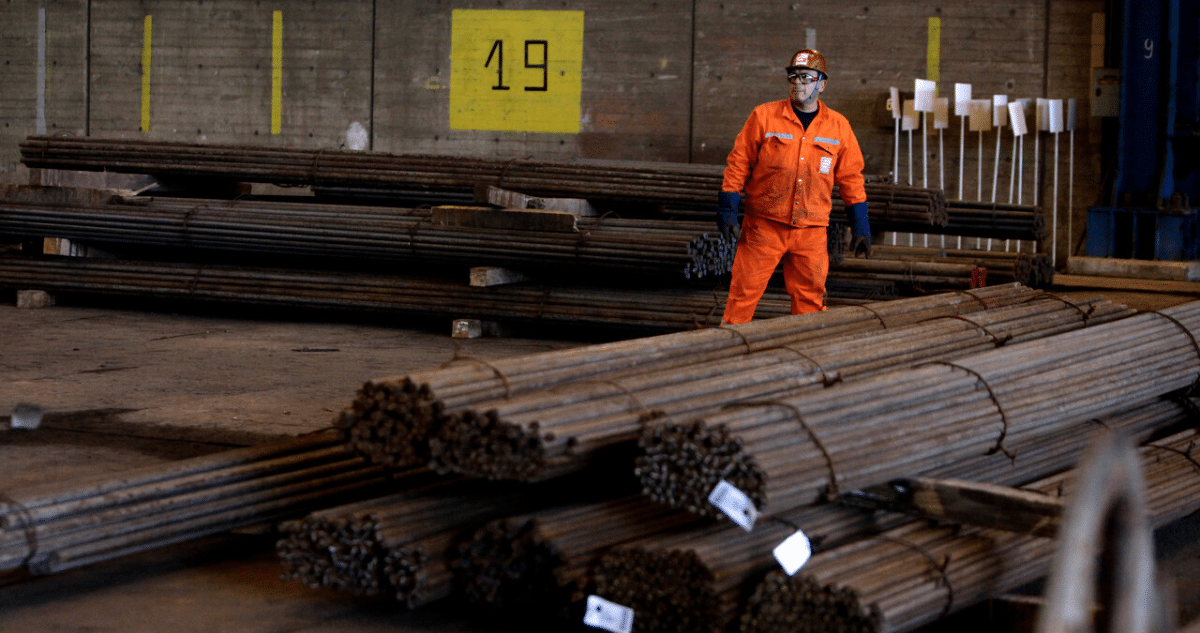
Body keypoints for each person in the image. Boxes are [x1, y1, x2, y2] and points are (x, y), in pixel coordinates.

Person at [717, 48, 872, 324]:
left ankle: (805, 357)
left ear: (821, 84)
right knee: (742, 298)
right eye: (793, 77)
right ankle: (727, 358)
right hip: (763, 227)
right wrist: (728, 207)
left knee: (810, 304)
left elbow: (851, 178)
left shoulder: (838, 127)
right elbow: (739, 163)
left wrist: (860, 225)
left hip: (811, 232)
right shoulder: (764, 117)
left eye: (805, 77)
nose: (797, 83)